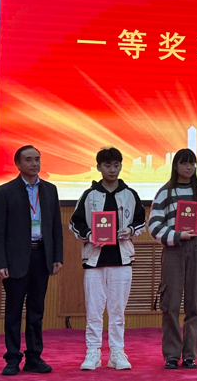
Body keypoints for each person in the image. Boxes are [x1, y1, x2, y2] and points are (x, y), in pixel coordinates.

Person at [69, 147, 147, 371]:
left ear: (121, 166)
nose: (112, 170)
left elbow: (141, 221)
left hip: (122, 261)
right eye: (107, 165)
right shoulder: (89, 195)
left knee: (117, 312)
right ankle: (93, 352)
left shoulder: (130, 194)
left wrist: (130, 230)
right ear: (99, 167)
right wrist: (89, 235)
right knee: (94, 311)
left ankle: (117, 352)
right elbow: (75, 223)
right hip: (94, 261)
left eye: (116, 165)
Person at [0, 145, 63, 376]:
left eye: (37, 159)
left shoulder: (50, 190)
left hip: (41, 256)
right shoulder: (5, 191)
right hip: (15, 260)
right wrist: (0, 262)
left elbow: (56, 227)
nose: (34, 164)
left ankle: (34, 357)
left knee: (36, 311)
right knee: (13, 312)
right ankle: (12, 358)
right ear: (18, 164)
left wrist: (57, 256)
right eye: (29, 160)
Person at [148, 148, 197, 369]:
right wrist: (177, 235)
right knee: (171, 303)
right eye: (184, 163)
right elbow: (154, 226)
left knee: (194, 303)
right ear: (175, 166)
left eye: (192, 163)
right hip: (174, 249)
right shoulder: (164, 193)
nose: (189, 167)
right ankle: (171, 355)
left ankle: (190, 355)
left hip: (196, 247)